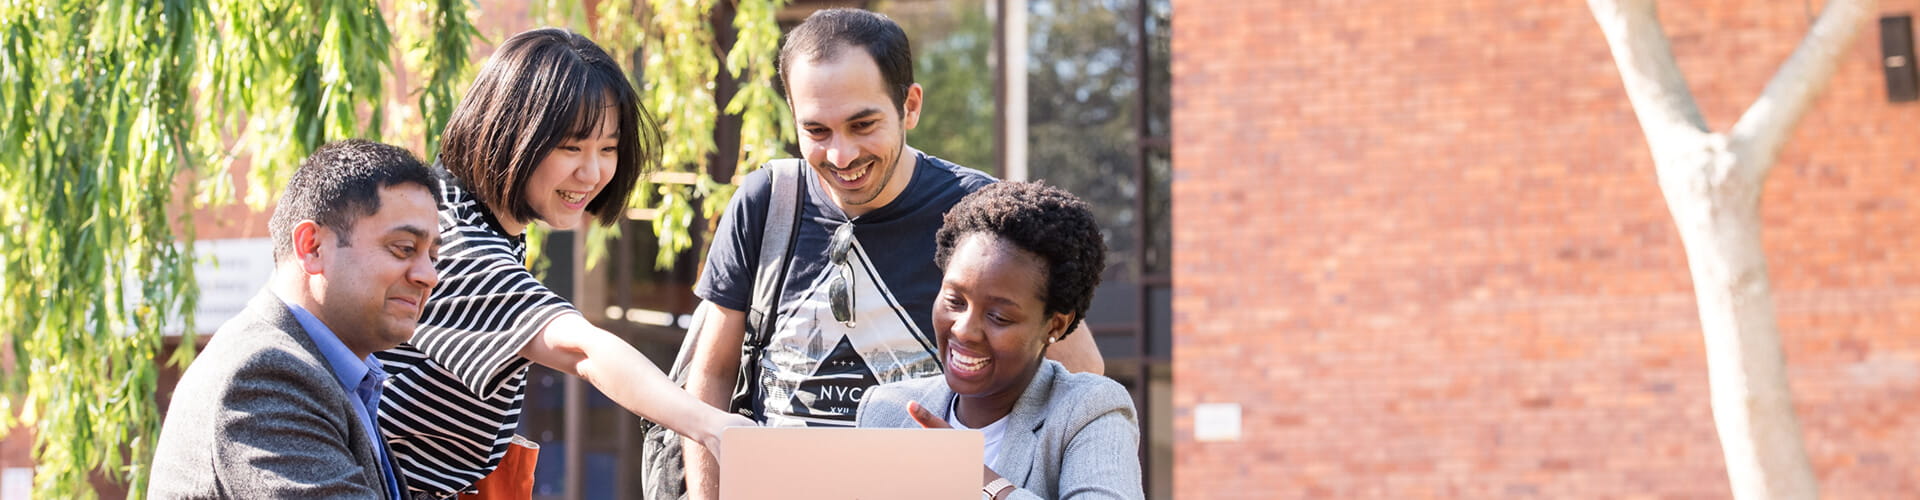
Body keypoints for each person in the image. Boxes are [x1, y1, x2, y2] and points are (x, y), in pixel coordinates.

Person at [682, 8, 1104, 498]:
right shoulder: (765, 201)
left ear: (910, 106)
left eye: (863, 125)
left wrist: (996, 477)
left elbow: (1080, 370)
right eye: (816, 131)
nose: (841, 156)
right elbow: (710, 376)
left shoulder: (982, 217)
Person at [372, 28, 753, 498]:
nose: (592, 173)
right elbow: (583, 349)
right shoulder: (450, 239)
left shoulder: (460, 208)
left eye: (608, 149)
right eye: (571, 147)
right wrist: (713, 426)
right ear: (510, 132)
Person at [150, 140, 440, 500]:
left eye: (432, 255)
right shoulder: (265, 375)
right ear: (312, 247)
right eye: (404, 248)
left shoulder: (331, 374)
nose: (429, 275)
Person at [857, 181, 1143, 500]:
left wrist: (981, 481)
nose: (964, 330)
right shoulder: (886, 410)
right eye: (955, 301)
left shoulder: (1088, 411)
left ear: (1056, 325)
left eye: (999, 317)